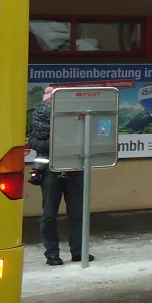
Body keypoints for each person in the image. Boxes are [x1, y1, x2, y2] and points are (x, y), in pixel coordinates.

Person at [28, 87, 91, 266]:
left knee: (76, 214)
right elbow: (33, 141)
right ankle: (53, 253)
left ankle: (77, 251)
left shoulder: (77, 117)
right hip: (52, 170)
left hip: (72, 169)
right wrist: (56, 143)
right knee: (52, 215)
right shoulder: (41, 120)